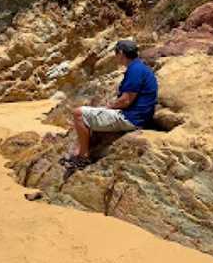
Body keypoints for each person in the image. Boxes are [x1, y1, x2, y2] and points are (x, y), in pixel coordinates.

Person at [62, 40, 158, 168]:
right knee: (90, 115)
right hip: (138, 116)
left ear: (121, 53)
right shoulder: (140, 67)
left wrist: (108, 107)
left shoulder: (135, 70)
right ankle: (79, 151)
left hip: (131, 118)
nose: (115, 56)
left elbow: (126, 100)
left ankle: (83, 157)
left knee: (78, 113)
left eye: (116, 53)